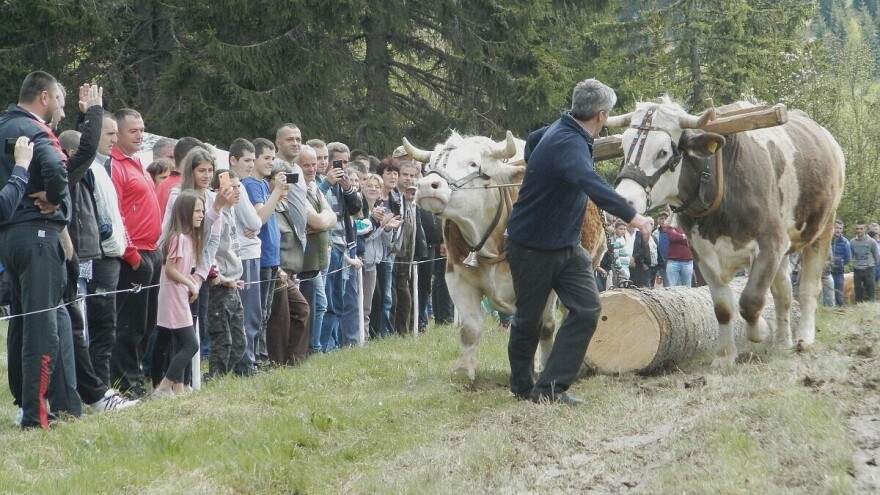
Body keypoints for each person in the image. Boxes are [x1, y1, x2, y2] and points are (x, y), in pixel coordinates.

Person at [505, 78, 650, 405]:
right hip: (531, 246)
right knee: (529, 319)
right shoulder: (568, 143)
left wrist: (544, 174)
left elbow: (532, 140)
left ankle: (551, 388)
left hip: (567, 246)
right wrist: (634, 216)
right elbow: (590, 181)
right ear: (601, 116)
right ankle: (522, 386)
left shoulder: (558, 131)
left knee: (587, 308)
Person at [0, 71, 71, 429]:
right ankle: (36, 414)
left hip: (9, 238)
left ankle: (23, 404)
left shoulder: (2, 125)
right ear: (44, 97)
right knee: (41, 326)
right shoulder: (35, 129)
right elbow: (58, 168)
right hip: (38, 234)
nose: (59, 107)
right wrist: (55, 198)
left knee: (21, 322)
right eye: (57, 99)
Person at [109, 108, 162, 398]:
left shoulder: (138, 162)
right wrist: (131, 255)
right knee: (130, 324)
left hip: (151, 250)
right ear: (117, 134)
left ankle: (135, 376)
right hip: (134, 254)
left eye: (142, 129)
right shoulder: (115, 165)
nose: (140, 135)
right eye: (133, 131)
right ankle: (124, 383)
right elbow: (115, 213)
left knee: (146, 322)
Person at [152, 192, 205, 398]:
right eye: (197, 211)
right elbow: (170, 269)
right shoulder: (178, 238)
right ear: (185, 213)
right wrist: (190, 284)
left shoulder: (188, 239)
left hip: (180, 293)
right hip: (173, 295)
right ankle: (164, 386)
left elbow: (183, 270)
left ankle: (173, 386)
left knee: (181, 343)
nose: (201, 215)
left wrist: (192, 283)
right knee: (191, 344)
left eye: (202, 211)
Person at [206, 169, 247, 376]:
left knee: (239, 342)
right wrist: (220, 277)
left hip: (233, 283)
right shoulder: (217, 216)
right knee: (223, 339)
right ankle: (215, 377)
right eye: (232, 187)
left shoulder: (231, 213)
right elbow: (209, 249)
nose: (237, 191)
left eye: (239, 186)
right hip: (219, 285)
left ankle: (219, 375)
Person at [850, 220, 879, 302]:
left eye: (861, 228)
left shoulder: (872, 241)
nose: (859, 230)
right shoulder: (852, 242)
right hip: (857, 269)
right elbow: (851, 256)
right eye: (857, 228)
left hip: (869, 269)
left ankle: (871, 307)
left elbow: (876, 256)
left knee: (870, 292)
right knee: (858, 291)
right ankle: (859, 307)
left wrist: (873, 267)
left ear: (865, 229)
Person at [664, 221, 694, 287]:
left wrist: (679, 237)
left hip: (688, 262)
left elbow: (692, 240)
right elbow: (672, 237)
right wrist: (684, 237)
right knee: (671, 287)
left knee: (687, 287)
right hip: (673, 262)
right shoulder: (670, 226)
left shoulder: (690, 226)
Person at [830, 219, 850, 306]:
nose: (838, 230)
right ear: (832, 227)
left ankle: (840, 311)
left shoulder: (845, 242)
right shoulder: (827, 240)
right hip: (827, 272)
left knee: (839, 294)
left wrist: (840, 263)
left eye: (840, 228)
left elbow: (848, 258)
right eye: (836, 228)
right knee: (827, 294)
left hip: (838, 272)